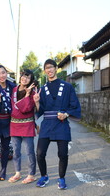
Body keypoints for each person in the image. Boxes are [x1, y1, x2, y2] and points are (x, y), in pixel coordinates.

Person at [34, 59, 81, 190]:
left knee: (63, 154)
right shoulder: (42, 89)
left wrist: (66, 114)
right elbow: (40, 110)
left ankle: (61, 178)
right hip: (47, 124)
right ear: (44, 71)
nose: (49, 70)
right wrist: (37, 102)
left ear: (56, 68)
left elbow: (74, 106)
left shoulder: (67, 87)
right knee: (40, 153)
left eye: (51, 67)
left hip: (61, 123)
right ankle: (44, 176)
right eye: (46, 68)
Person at [8, 69, 38, 184]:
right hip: (14, 124)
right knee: (16, 151)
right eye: (23, 76)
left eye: (28, 77)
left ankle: (31, 174)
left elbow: (27, 108)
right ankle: (17, 173)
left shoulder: (33, 92)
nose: (24, 78)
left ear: (31, 80)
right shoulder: (14, 90)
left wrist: (27, 94)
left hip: (27, 124)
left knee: (29, 151)